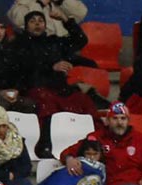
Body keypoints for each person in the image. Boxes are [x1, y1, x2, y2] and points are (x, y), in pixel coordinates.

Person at [8, 9, 96, 151]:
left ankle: (91, 145)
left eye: (40, 21)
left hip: (60, 89)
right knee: (47, 105)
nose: (37, 24)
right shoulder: (19, 44)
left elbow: (81, 40)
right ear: (26, 25)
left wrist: (65, 19)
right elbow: (25, 66)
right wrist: (51, 66)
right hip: (35, 88)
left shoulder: (54, 42)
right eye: (32, 21)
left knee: (85, 102)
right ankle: (46, 146)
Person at [36, 136, 116, 185]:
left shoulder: (103, 169)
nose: (92, 157)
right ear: (83, 153)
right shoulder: (76, 164)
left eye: (95, 154)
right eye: (88, 154)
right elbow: (62, 181)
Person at [8, 0, 88, 38]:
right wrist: (41, 3)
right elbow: (19, 21)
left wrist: (61, 1)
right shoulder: (23, 2)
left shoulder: (56, 3)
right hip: (40, 50)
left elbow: (81, 13)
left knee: (90, 64)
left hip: (63, 45)